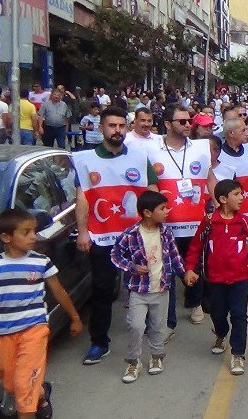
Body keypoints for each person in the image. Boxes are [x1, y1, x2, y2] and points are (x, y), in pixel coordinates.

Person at [0, 209, 82, 418]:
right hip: (5, 333)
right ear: (6, 237)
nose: (33, 236)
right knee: (8, 382)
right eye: (26, 232)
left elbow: (58, 291)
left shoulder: (41, 262)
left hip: (34, 329)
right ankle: (42, 392)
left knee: (24, 387)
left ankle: (30, 407)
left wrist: (75, 318)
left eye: (33, 231)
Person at [74, 106, 157, 365]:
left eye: (121, 126)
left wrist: (153, 226)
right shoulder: (85, 159)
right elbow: (82, 199)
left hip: (136, 236)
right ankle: (99, 342)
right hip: (102, 238)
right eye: (112, 126)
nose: (117, 131)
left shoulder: (140, 156)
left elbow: (152, 191)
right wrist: (84, 231)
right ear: (101, 129)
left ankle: (151, 330)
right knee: (102, 289)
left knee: (146, 285)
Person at [183, 179, 248, 376]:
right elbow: (195, 248)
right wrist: (190, 269)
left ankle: (238, 353)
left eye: (242, 193)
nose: (242, 198)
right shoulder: (208, 222)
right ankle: (221, 334)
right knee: (217, 314)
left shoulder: (244, 222)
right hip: (215, 281)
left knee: (240, 316)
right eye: (237, 194)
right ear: (223, 199)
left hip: (239, 280)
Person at [146, 107, 216, 329]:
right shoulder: (151, 149)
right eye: (182, 121)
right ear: (167, 124)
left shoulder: (200, 148)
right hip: (166, 223)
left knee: (192, 264)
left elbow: (210, 178)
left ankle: (195, 302)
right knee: (166, 268)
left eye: (190, 121)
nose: (188, 125)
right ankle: (167, 316)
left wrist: (216, 203)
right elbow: (150, 184)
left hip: (195, 220)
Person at [109, 190, 186, 383]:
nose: (167, 210)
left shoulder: (166, 232)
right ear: (147, 212)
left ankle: (156, 357)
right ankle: (133, 362)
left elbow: (175, 257)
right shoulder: (130, 234)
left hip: (161, 289)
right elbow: (115, 255)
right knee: (135, 326)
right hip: (139, 290)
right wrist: (132, 267)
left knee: (158, 327)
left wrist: (185, 274)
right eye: (162, 208)